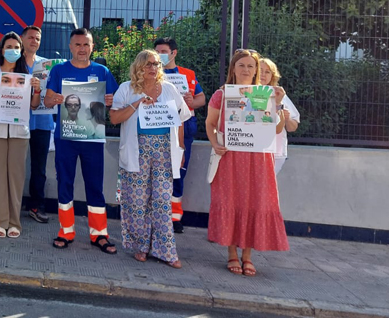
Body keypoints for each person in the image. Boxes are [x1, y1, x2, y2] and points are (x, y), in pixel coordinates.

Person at [206, 49, 289, 277]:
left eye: (251, 66)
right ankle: (232, 253)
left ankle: (248, 256)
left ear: (256, 70)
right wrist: (214, 143)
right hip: (231, 158)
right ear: (233, 68)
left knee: (255, 202)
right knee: (232, 199)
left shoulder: (265, 94)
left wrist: (278, 104)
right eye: (241, 65)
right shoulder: (222, 95)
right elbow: (210, 123)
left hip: (259, 158)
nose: (246, 70)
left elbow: (278, 128)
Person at [110, 50, 191, 268]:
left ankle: (166, 251)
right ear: (138, 67)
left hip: (164, 150)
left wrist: (181, 148)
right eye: (147, 65)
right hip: (137, 151)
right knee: (136, 201)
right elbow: (114, 117)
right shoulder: (127, 89)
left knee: (162, 201)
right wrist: (136, 104)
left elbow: (181, 119)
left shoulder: (169, 89)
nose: (152, 68)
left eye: (155, 64)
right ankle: (141, 247)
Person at [44, 28, 119, 252]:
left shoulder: (102, 71)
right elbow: (47, 101)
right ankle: (66, 231)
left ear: (92, 47)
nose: (82, 49)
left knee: (95, 186)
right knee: (65, 183)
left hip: (93, 138)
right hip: (66, 137)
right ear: (70, 47)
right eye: (77, 45)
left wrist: (110, 100)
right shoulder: (59, 70)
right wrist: (54, 98)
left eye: (86, 45)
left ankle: (99, 234)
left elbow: (115, 102)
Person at [0, 32, 42, 239]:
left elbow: (34, 106)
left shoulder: (26, 76)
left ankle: (14, 221)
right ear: (1, 49)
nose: (13, 51)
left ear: (21, 51)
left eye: (16, 47)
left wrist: (36, 91)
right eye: (8, 47)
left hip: (18, 133)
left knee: (15, 178)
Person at [153, 37, 206, 233]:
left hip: (184, 128)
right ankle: (156, 214)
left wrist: (192, 101)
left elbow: (201, 99)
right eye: (157, 52)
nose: (159, 56)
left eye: (163, 51)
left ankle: (175, 218)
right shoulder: (150, 73)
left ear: (173, 53)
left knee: (179, 172)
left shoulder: (187, 74)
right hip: (158, 127)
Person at [21, 25, 54, 224]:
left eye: (38, 38)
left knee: (39, 168)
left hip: (42, 121)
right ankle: (12, 205)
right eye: (31, 37)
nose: (34, 41)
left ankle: (36, 206)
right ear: (23, 39)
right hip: (17, 121)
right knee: (15, 166)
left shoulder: (47, 65)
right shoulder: (13, 63)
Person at [259, 58, 300, 174]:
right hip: (252, 150)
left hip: (275, 152)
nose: (263, 74)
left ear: (273, 75)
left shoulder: (280, 94)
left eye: (267, 72)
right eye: (260, 70)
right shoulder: (244, 92)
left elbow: (293, 127)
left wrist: (286, 118)